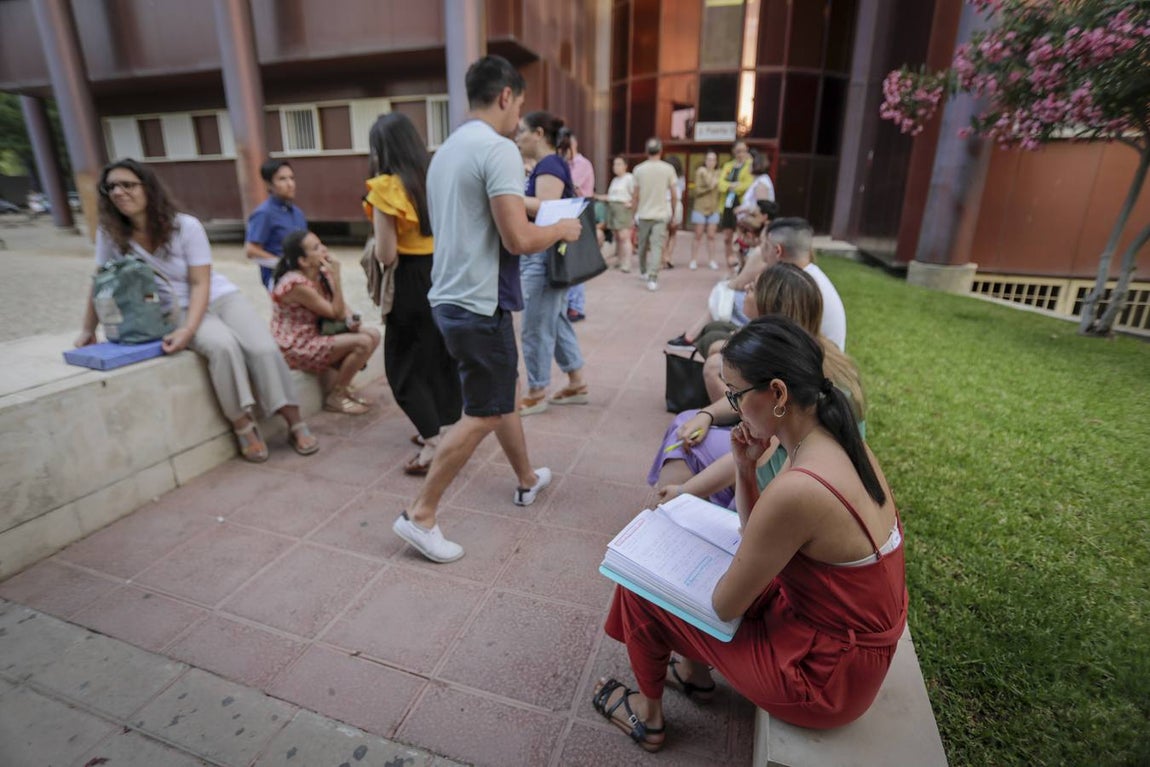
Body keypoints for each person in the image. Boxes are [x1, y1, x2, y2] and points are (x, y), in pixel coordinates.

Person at [594, 314, 907, 748]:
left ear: (777, 393)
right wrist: (745, 468)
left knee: (639, 587)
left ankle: (649, 719)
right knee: (706, 574)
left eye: (736, 395)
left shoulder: (800, 488)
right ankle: (694, 676)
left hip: (822, 681)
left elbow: (725, 606)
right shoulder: (837, 441)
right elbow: (757, 532)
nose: (735, 410)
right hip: (845, 653)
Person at [390, 54, 581, 564]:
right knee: (485, 410)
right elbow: (518, 239)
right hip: (480, 303)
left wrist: (540, 210)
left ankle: (525, 478)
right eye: (519, 104)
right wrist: (561, 228)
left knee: (502, 393)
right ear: (506, 96)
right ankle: (420, 515)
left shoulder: (447, 151)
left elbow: (489, 210)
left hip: (450, 297)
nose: (519, 116)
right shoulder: (498, 149)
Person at [76, 158, 319, 462]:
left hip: (218, 296)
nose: (118, 192)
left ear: (148, 188)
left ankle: (293, 419)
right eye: (111, 187)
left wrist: (188, 330)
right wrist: (88, 329)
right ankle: (242, 424)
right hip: (174, 308)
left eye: (128, 185)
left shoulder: (185, 226)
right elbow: (101, 280)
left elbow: (200, 282)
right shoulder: (110, 233)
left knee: (263, 348)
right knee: (223, 348)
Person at [651, 263, 866, 509]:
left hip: (784, 486)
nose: (746, 288)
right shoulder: (818, 359)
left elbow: (755, 462)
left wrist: (684, 490)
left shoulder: (788, 383)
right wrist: (708, 414)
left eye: (753, 288)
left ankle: (666, 514)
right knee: (692, 428)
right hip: (799, 481)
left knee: (686, 436)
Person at [364, 112, 463, 475]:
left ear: (382, 149)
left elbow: (386, 254)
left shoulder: (386, 187)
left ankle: (433, 443)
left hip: (410, 280)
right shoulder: (434, 177)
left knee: (402, 365)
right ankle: (447, 427)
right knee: (440, 356)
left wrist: (374, 245)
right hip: (444, 273)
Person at [515, 110, 590, 416]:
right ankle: (576, 383)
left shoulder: (549, 164)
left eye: (522, 131)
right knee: (555, 321)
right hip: (547, 255)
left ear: (538, 134)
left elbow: (546, 207)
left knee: (535, 326)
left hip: (543, 255)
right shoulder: (550, 164)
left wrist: (507, 198)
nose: (517, 138)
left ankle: (536, 392)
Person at [270, 230, 380, 416]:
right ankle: (337, 396)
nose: (324, 249)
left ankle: (343, 388)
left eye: (321, 244)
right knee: (362, 343)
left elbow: (343, 311)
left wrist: (353, 321)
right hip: (296, 344)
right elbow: (336, 313)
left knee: (373, 335)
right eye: (316, 248)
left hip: (319, 333)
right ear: (303, 261)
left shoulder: (321, 274)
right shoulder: (296, 284)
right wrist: (337, 277)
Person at [760, 217, 846, 351]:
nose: (763, 256)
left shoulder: (795, 286)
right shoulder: (809, 276)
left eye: (766, 247)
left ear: (777, 251)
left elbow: (780, 343)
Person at [245, 159, 307, 292]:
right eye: (282, 179)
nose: (290, 184)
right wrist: (284, 265)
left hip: (303, 275)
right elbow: (251, 251)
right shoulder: (264, 213)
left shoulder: (297, 213)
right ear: (269, 184)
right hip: (279, 279)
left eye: (292, 178)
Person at [631, 138, 679, 291]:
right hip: (661, 214)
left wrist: (633, 214)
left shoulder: (639, 169)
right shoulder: (668, 169)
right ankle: (653, 277)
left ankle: (643, 271)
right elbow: (674, 194)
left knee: (642, 245)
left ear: (646, 151)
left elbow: (635, 195)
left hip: (644, 214)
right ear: (661, 151)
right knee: (657, 246)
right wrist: (673, 212)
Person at [565, 133, 595, 323]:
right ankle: (571, 304)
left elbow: (572, 186)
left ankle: (576, 306)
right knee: (569, 259)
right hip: (571, 211)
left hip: (581, 211)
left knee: (576, 260)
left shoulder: (582, 164)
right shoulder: (566, 164)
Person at [717, 140, 754, 269]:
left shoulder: (750, 165)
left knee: (742, 237)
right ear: (733, 152)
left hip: (741, 205)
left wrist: (735, 187)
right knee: (727, 237)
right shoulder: (728, 166)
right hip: (728, 204)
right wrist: (731, 186)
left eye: (744, 151)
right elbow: (721, 184)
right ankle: (729, 262)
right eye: (738, 151)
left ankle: (742, 264)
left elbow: (748, 184)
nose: (741, 154)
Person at [602, 156, 635, 272]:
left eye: (619, 164)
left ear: (625, 166)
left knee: (624, 236)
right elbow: (611, 196)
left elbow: (636, 194)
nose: (616, 167)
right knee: (617, 236)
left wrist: (632, 204)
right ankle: (620, 260)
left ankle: (627, 262)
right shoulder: (615, 180)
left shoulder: (629, 178)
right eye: (615, 164)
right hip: (613, 208)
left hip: (623, 209)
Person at [690, 151, 721, 271]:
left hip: (714, 208)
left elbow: (719, 186)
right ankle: (693, 260)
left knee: (711, 236)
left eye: (713, 160)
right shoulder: (700, 172)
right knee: (698, 235)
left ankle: (712, 260)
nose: (711, 162)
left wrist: (712, 182)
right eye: (708, 159)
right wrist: (709, 186)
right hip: (700, 208)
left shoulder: (718, 173)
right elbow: (697, 190)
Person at [736, 150, 776, 222]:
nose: (748, 166)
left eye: (750, 164)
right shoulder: (758, 180)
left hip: (755, 224)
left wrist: (743, 209)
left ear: (756, 165)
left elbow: (763, 208)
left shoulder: (761, 183)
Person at [661, 155, 686, 270]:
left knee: (664, 233)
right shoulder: (681, 178)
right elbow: (681, 192)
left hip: (665, 203)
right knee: (673, 233)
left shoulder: (664, 177)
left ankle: (663, 257)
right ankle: (669, 256)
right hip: (677, 204)